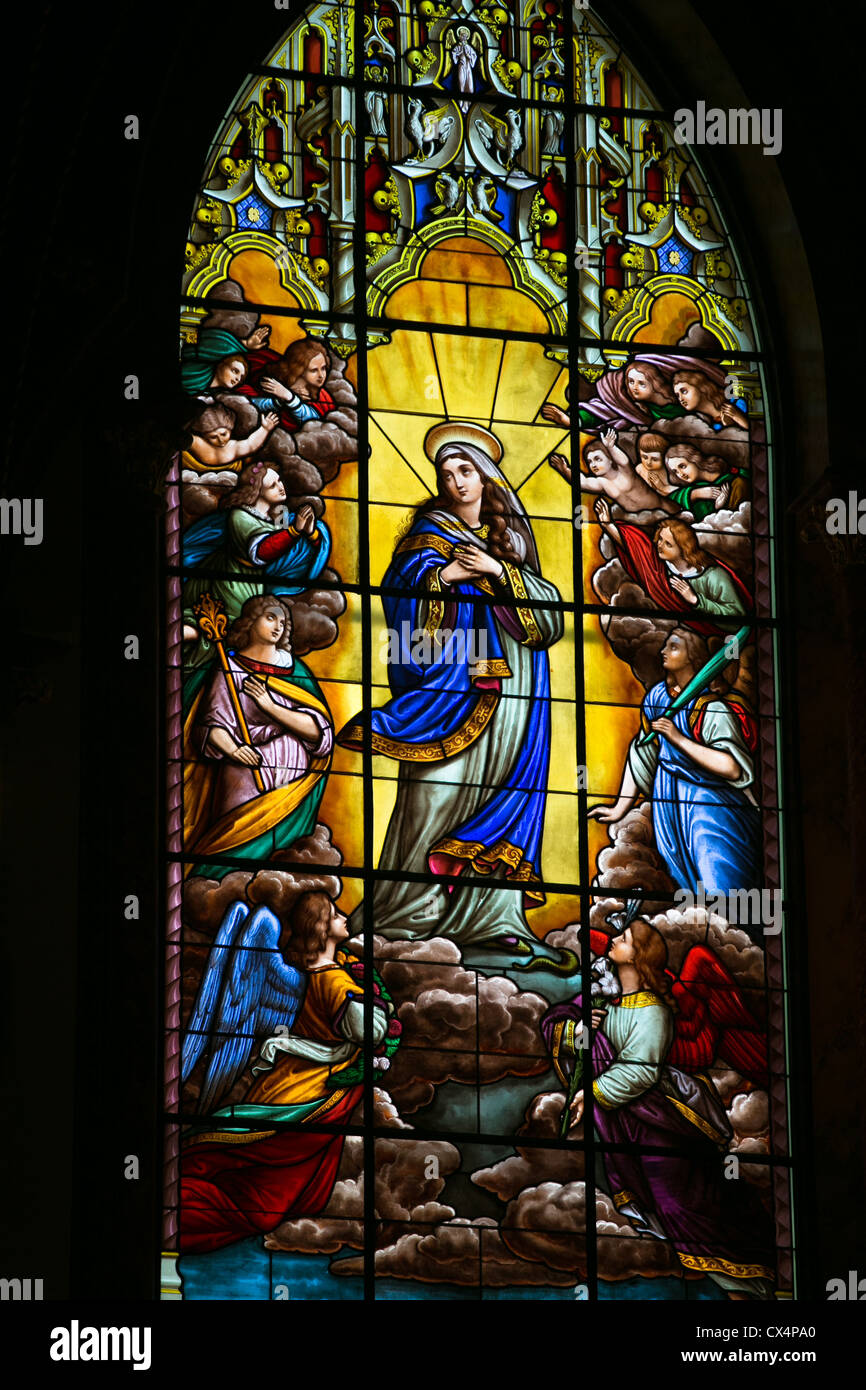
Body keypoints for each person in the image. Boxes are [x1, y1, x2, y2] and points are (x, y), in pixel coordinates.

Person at [338, 422, 563, 950]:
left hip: (517, 690)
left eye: (466, 471)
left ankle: (489, 919)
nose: (457, 482)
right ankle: (402, 913)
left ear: (486, 478)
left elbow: (550, 615)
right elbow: (401, 595)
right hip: (453, 684)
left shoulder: (509, 541)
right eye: (447, 474)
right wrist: (446, 579)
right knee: (435, 794)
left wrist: (498, 571)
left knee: (504, 788)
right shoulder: (429, 536)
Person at [547, 920, 776, 1299]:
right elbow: (566, 1032)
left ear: (638, 956)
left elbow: (639, 1071)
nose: (613, 941)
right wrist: (579, 1032)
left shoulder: (654, 1012)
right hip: (629, 1132)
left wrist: (591, 1092)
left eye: (623, 939)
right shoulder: (607, 1002)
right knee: (669, 1213)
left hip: (663, 1130)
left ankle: (751, 1289)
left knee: (685, 1213)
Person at [180, 892, 388, 1255]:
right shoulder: (332, 981)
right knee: (260, 1202)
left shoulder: (323, 975)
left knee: (264, 1199)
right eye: (334, 913)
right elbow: (369, 1033)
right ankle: (180, 1204)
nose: (343, 916)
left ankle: (181, 1201)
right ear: (321, 927)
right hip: (300, 1098)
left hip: (303, 1092)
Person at [589, 627, 761, 895]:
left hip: (711, 807)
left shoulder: (710, 708)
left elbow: (732, 767)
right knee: (685, 886)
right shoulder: (657, 698)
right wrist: (618, 809)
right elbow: (642, 752)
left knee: (719, 882)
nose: (663, 652)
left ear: (693, 657)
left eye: (673, 646)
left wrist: (677, 738)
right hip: (668, 800)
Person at [183, 595, 333, 876]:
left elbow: (320, 732)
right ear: (251, 621)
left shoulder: (296, 672)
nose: (278, 626)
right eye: (270, 617)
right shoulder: (229, 668)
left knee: (279, 860)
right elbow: (212, 725)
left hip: (291, 786)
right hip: (242, 775)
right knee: (233, 849)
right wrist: (233, 750)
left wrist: (270, 706)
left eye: (283, 621)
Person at [182, 462, 331, 678]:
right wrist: (294, 531)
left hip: (252, 586)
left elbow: (293, 550)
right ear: (257, 491)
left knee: (234, 634)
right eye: (272, 485)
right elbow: (261, 552)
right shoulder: (240, 517)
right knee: (224, 630)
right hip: (230, 584)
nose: (281, 487)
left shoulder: (274, 520)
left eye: (279, 481)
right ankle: (180, 656)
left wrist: (311, 534)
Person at [594, 504, 750, 631]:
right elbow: (634, 548)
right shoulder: (659, 567)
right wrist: (608, 525)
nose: (659, 545)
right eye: (660, 539)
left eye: (668, 544)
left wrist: (696, 600)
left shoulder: (714, 576)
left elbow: (737, 618)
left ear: (684, 549)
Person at [549, 427, 677, 512]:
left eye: (598, 459)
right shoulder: (602, 483)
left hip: (664, 509)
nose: (593, 464)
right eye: (590, 461)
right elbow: (582, 482)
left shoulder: (625, 472)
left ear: (610, 459)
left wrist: (611, 447)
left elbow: (624, 461)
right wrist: (565, 469)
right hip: (641, 520)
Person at [235, 337, 336, 433]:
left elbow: (315, 423)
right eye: (314, 370)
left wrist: (290, 397)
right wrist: (278, 401)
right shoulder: (272, 383)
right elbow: (248, 406)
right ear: (300, 369)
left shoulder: (323, 397)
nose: (321, 375)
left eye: (323, 368)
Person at [664, 442, 750, 519]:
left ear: (695, 460)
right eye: (675, 472)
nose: (680, 474)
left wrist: (721, 509)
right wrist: (695, 494)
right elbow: (668, 503)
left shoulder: (736, 481)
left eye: (682, 466)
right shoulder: (691, 490)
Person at [186, 403, 279, 473]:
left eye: (224, 434)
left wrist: (265, 429)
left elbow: (251, 444)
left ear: (230, 429)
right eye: (213, 437)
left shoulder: (233, 447)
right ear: (204, 436)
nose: (220, 440)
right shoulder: (198, 443)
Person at [672, 369, 748, 431]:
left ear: (701, 387)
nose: (680, 399)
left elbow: (756, 434)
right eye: (677, 395)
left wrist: (739, 418)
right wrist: (729, 427)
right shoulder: (703, 426)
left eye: (684, 391)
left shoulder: (738, 404)